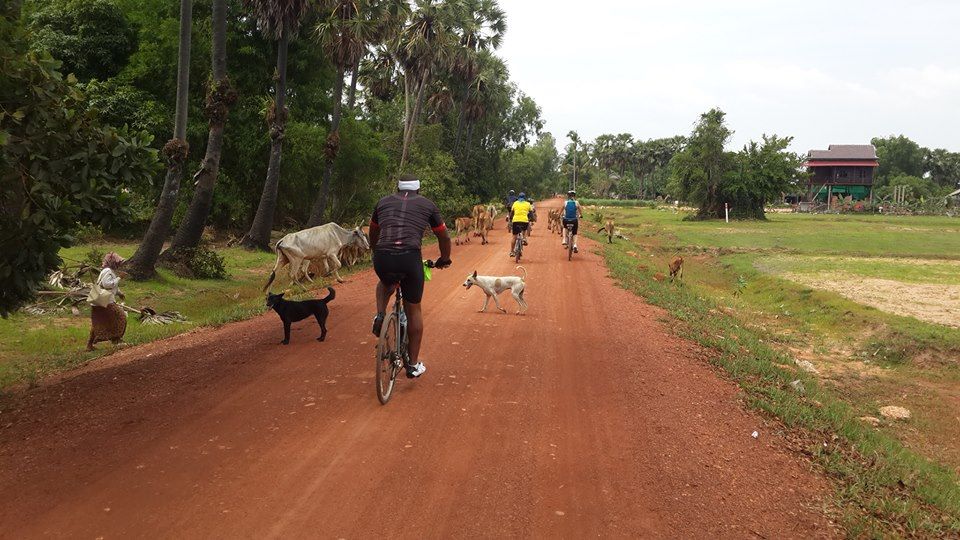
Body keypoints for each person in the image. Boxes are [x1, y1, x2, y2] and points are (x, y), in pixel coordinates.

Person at [369, 174, 452, 378]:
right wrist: (444, 258)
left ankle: (380, 314)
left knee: (386, 282)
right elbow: (443, 235)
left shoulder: (382, 202)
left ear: (397, 189)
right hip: (410, 257)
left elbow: (373, 231)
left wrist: (376, 251)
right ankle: (413, 365)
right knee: (413, 309)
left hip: (383, 256)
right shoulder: (428, 204)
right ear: (418, 189)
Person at [86, 252, 127, 351]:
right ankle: (116, 339)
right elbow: (107, 284)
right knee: (120, 316)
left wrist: (119, 293)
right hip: (105, 300)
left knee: (99, 322)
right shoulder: (108, 271)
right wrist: (119, 278)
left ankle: (89, 345)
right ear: (112, 262)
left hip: (100, 300)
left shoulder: (109, 271)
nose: (119, 265)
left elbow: (111, 287)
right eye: (118, 262)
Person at [508, 192, 534, 257]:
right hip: (524, 221)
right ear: (524, 198)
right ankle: (524, 239)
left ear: (518, 197)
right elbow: (531, 214)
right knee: (524, 230)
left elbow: (511, 213)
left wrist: (511, 219)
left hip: (516, 221)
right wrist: (532, 219)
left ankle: (511, 251)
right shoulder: (528, 204)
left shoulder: (515, 203)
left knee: (514, 237)